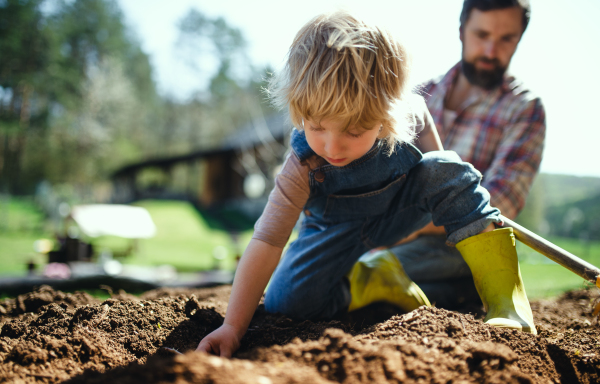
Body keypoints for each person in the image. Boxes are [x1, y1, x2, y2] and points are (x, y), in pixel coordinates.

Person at [197, 10, 535, 358]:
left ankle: (507, 305)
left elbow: (444, 174)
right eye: (316, 127)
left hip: (399, 212)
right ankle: (372, 278)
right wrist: (233, 326)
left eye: (355, 130)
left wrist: (463, 214)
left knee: (445, 168)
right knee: (288, 300)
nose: (332, 146)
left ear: (388, 114)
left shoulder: (411, 116)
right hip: (333, 230)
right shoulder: (303, 166)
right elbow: (267, 241)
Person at [368, 0, 546, 309]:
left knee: (360, 275)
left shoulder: (525, 109)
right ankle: (452, 295)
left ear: (519, 39)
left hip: (465, 242)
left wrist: (403, 228)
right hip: (393, 235)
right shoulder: (416, 97)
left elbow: (500, 203)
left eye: (506, 39)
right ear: (462, 31)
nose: (491, 51)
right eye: (482, 34)